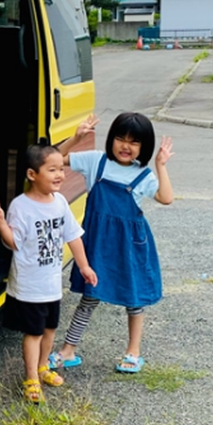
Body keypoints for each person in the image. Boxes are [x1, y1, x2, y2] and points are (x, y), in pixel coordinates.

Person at [51, 112, 174, 374]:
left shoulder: (144, 174)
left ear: (144, 147)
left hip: (131, 246)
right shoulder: (97, 161)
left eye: (134, 142)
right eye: (120, 138)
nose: (125, 146)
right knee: (90, 296)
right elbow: (53, 160)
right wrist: (76, 138)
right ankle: (67, 351)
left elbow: (166, 198)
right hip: (97, 243)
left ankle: (133, 352)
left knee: (134, 298)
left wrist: (161, 166)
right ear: (111, 139)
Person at [0, 144, 98, 403]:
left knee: (49, 330)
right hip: (29, 284)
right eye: (52, 170)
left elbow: (73, 236)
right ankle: (31, 379)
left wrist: (84, 266)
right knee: (34, 333)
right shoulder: (21, 206)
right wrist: (2, 223)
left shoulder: (59, 202)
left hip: (51, 284)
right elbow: (14, 242)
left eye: (61, 169)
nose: (60, 174)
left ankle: (42, 367)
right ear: (32, 174)